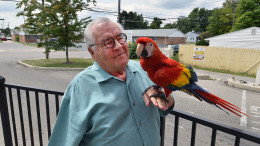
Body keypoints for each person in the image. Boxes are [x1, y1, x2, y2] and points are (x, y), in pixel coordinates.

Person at [48, 17, 174, 146]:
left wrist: (166, 98)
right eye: (108, 42)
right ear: (92, 52)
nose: (119, 46)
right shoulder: (80, 87)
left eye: (120, 38)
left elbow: (165, 107)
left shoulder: (145, 70)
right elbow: (62, 141)